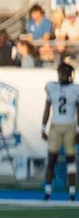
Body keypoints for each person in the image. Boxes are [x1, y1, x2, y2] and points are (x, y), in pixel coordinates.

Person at [41, 61, 79, 202]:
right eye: (61, 73)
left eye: (66, 73)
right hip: (55, 126)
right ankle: (48, 191)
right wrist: (42, 127)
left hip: (70, 126)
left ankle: (72, 192)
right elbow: (47, 107)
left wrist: (78, 130)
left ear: (71, 75)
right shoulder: (52, 87)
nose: (63, 75)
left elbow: (78, 111)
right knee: (51, 159)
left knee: (71, 160)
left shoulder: (75, 89)